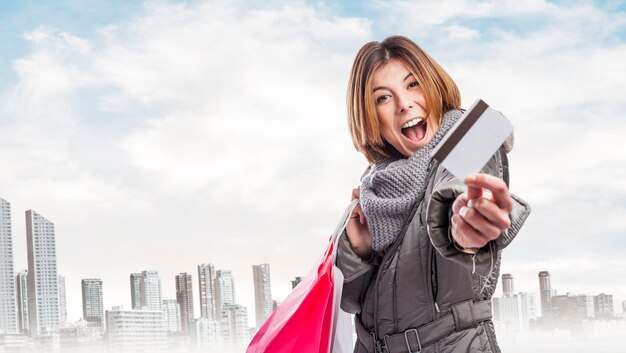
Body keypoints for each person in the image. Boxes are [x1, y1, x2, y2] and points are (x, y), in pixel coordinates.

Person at [336, 35, 531, 353]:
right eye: (383, 98)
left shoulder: (473, 141)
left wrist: (467, 231)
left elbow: (457, 216)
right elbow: (351, 302)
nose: (404, 104)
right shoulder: (374, 186)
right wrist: (359, 250)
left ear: (433, 85)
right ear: (371, 118)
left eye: (413, 85)